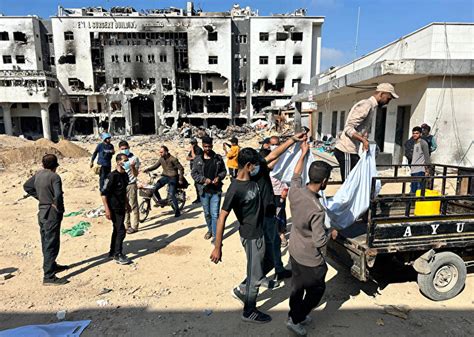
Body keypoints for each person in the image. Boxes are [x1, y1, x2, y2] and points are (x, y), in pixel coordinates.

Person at [210, 147, 271, 324]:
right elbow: (222, 217)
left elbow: (273, 157)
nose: (258, 167)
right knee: (255, 275)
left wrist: (292, 141)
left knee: (267, 263)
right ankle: (249, 310)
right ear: (248, 165)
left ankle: (242, 288)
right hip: (251, 236)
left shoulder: (253, 178)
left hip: (260, 233)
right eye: (256, 165)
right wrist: (217, 247)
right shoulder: (235, 189)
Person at [286, 142, 333, 336]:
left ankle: (293, 315)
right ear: (324, 182)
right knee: (316, 291)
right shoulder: (316, 209)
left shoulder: (295, 191)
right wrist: (332, 233)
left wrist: (303, 154)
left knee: (297, 288)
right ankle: (296, 319)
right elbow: (320, 241)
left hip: (294, 251)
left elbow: (296, 175)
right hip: (310, 259)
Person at [334, 83, 399, 182]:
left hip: (352, 151)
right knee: (348, 184)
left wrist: (364, 137)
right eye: (388, 98)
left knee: (356, 182)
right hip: (346, 150)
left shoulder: (372, 107)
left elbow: (359, 128)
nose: (388, 102)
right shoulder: (366, 104)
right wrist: (363, 141)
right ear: (381, 94)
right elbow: (348, 128)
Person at [23, 154, 69, 285]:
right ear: (55, 165)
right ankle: (48, 276)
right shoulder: (55, 177)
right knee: (52, 243)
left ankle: (52, 265)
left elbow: (27, 186)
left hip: (42, 212)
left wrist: (40, 198)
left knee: (46, 241)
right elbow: (58, 194)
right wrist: (56, 205)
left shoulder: (38, 174)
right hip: (52, 214)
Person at [191, 137, 227, 241]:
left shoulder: (218, 158)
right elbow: (194, 174)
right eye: (205, 146)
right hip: (204, 191)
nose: (207, 148)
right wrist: (203, 179)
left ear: (212, 146)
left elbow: (223, 171)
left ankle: (216, 236)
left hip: (216, 191)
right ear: (202, 146)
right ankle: (210, 230)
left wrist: (219, 178)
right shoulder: (198, 159)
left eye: (209, 146)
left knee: (215, 214)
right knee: (207, 213)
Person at [101, 153, 132, 265]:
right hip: (113, 207)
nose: (126, 162)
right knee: (121, 231)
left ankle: (112, 251)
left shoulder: (125, 175)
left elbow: (124, 191)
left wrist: (127, 204)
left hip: (121, 206)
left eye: (127, 160)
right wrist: (107, 210)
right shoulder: (112, 176)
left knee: (117, 229)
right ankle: (118, 254)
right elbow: (104, 194)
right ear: (118, 162)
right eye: (125, 160)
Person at [144, 146, 185, 218]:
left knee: (171, 194)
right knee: (154, 188)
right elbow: (155, 166)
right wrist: (148, 169)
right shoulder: (161, 159)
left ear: (166, 152)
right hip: (165, 177)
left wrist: (180, 179)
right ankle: (160, 202)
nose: (160, 153)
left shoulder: (173, 159)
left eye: (161, 152)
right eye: (159, 152)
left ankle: (177, 211)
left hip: (173, 177)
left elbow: (181, 168)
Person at [118, 140, 140, 234]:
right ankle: (127, 225)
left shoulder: (134, 159)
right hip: (122, 185)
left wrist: (132, 167)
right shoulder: (119, 158)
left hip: (131, 184)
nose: (124, 150)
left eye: (125, 148)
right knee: (124, 206)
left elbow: (135, 174)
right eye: (122, 149)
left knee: (133, 205)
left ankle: (135, 226)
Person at [408, 126, 431, 193]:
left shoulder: (423, 143)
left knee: (419, 190)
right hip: (413, 170)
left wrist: (427, 170)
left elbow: (427, 157)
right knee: (413, 190)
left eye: (417, 133)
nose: (414, 135)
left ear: (420, 134)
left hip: (420, 170)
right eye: (413, 133)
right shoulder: (413, 143)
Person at [186, 138, 203, 204]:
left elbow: (195, 157)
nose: (192, 145)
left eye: (193, 144)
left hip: (198, 169)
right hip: (194, 169)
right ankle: (199, 198)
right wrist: (192, 158)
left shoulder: (198, 149)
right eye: (191, 144)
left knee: (198, 184)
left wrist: (192, 149)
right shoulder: (193, 150)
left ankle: (201, 198)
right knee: (196, 184)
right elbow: (187, 158)